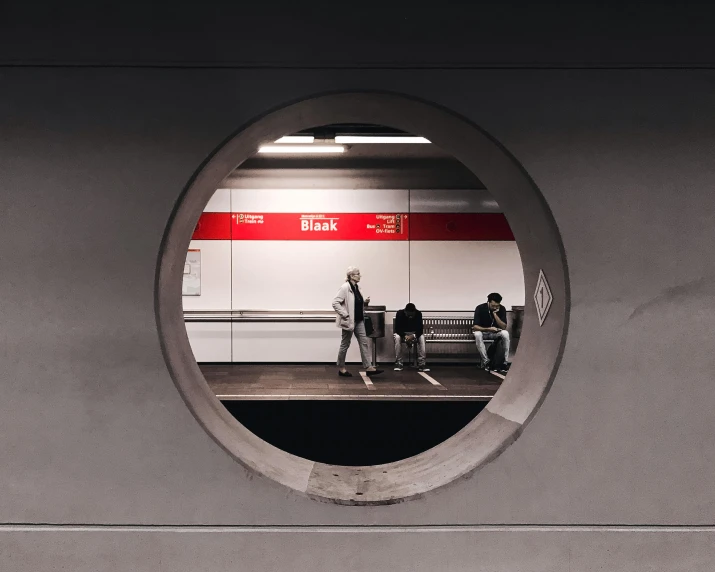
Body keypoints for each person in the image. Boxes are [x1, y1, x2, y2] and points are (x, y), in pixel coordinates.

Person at [332, 266, 383, 378]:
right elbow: (335, 303)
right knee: (345, 344)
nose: (360, 275)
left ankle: (368, 367)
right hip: (349, 321)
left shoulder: (357, 287)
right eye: (358, 273)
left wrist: (365, 302)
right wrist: (345, 314)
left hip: (359, 320)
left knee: (364, 342)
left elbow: (355, 303)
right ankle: (341, 368)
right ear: (351, 276)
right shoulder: (345, 287)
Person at [472, 292, 511, 374]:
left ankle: (505, 362)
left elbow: (503, 327)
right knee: (477, 334)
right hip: (484, 332)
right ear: (488, 302)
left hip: (494, 333)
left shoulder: (502, 309)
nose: (495, 307)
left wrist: (495, 314)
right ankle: (486, 362)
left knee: (505, 333)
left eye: (497, 306)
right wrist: (489, 329)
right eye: (493, 306)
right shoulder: (480, 308)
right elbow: (475, 327)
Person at [393, 303, 430, 372]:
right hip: (402, 333)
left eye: (412, 315)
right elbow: (397, 329)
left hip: (414, 333)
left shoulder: (418, 314)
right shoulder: (400, 314)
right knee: (397, 338)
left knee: (422, 338)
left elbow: (420, 329)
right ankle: (399, 363)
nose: (410, 316)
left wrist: (413, 336)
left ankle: (422, 363)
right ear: (405, 311)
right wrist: (405, 336)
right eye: (408, 314)